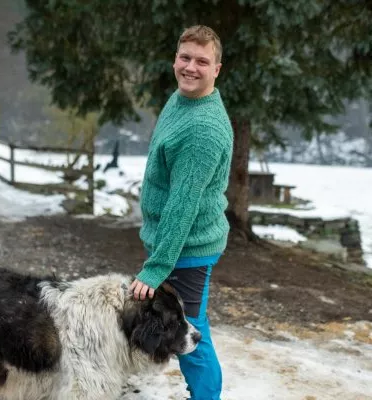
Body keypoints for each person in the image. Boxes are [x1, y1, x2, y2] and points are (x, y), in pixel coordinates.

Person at [129, 25, 233, 400]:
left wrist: (157, 267)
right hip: (175, 241)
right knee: (184, 321)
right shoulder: (182, 101)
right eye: (185, 57)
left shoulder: (203, 129)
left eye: (202, 62)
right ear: (175, 59)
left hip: (188, 245)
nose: (191, 67)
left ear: (216, 69)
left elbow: (182, 205)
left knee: (189, 328)